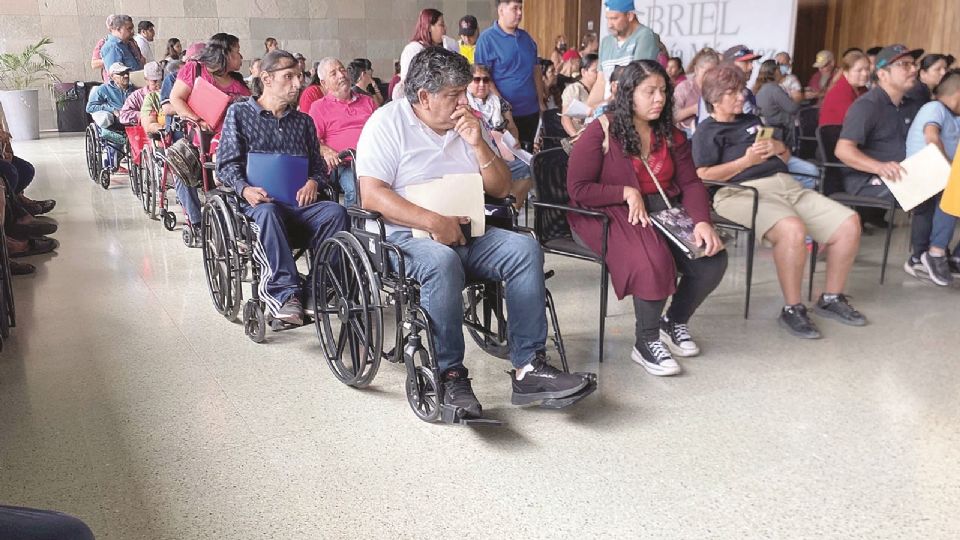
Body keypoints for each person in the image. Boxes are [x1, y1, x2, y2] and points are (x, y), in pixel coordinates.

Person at [356, 47, 592, 415]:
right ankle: (449, 373)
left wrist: (478, 143)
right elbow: (371, 194)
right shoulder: (386, 124)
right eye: (454, 95)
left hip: (469, 228)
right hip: (404, 237)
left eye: (464, 91)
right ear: (423, 97)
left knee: (523, 250)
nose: (463, 100)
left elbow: (499, 188)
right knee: (441, 261)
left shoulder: (469, 122)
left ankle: (528, 366)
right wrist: (433, 221)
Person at [567, 60, 727, 374]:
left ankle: (673, 321)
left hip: (662, 208)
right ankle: (646, 341)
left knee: (711, 258)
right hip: (603, 212)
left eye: (663, 91)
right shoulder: (601, 130)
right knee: (651, 259)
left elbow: (692, 182)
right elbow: (579, 189)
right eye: (649, 91)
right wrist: (625, 192)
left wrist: (703, 221)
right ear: (628, 94)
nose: (659, 99)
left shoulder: (670, 134)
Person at [694, 63, 866, 339]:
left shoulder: (752, 121)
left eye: (741, 90)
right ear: (714, 98)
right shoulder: (707, 131)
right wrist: (744, 161)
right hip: (738, 192)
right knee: (792, 230)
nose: (741, 96)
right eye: (732, 92)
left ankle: (831, 298)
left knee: (849, 222)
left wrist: (779, 148)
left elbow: (783, 157)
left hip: (785, 185)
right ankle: (792, 308)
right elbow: (702, 176)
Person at [217, 50, 349, 325]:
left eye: (299, 76)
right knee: (268, 213)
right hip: (258, 207)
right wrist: (245, 189)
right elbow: (226, 166)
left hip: (299, 205)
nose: (297, 84)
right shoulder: (240, 114)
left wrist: (314, 181)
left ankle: (317, 289)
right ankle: (286, 294)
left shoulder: (303, 122)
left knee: (336, 212)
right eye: (288, 77)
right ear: (266, 78)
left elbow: (318, 167)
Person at [169, 33, 251, 232]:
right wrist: (198, 120)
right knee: (181, 169)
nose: (241, 57)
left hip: (235, 136)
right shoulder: (195, 69)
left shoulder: (238, 83)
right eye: (237, 52)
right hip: (203, 135)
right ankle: (196, 222)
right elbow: (176, 98)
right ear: (225, 53)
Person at [834, 44, 923, 205]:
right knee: (925, 192)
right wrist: (879, 167)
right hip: (867, 178)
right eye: (904, 65)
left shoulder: (910, 105)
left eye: (913, 64)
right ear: (882, 74)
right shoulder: (867, 106)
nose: (913, 70)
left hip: (903, 174)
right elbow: (843, 150)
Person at [902, 69, 960, 285]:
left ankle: (953, 256)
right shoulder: (934, 108)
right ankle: (935, 253)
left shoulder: (955, 116)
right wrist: (951, 169)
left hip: (938, 174)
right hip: (919, 172)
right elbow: (931, 137)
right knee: (957, 187)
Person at [308, 57, 377, 207]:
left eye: (342, 69)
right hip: (344, 165)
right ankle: (354, 228)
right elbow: (312, 141)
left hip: (374, 160)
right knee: (355, 187)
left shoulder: (367, 101)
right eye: (333, 73)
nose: (341, 75)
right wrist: (326, 151)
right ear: (324, 83)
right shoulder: (318, 107)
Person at [475, 0, 544, 150]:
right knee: (509, 158)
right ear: (501, 11)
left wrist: (541, 101)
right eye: (515, 8)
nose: (520, 13)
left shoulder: (527, 38)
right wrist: (503, 104)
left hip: (531, 110)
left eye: (521, 8)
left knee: (527, 155)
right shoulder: (487, 40)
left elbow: (536, 71)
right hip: (504, 116)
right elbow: (484, 78)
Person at [466, 63, 534, 206]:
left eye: (486, 80)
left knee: (529, 167)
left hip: (503, 152)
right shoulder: (463, 102)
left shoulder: (498, 101)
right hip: (477, 156)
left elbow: (512, 126)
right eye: (477, 79)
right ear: (468, 81)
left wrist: (513, 138)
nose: (482, 84)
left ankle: (511, 210)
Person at [587, 0, 661, 109]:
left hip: (630, 111)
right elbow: (601, 81)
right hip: (608, 110)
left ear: (630, 16)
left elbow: (636, 80)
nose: (609, 25)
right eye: (608, 19)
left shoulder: (645, 36)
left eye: (614, 18)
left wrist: (602, 105)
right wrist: (587, 108)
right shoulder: (606, 42)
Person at [86, 62, 137, 169]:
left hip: (133, 121)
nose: (126, 76)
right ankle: (113, 159)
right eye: (121, 74)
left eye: (127, 72)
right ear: (112, 76)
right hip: (116, 122)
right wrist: (111, 109)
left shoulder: (134, 90)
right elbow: (90, 107)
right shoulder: (103, 89)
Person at [394, 9, 448, 101]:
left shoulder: (442, 48)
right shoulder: (414, 49)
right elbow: (410, 83)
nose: (445, 29)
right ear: (429, 27)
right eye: (441, 25)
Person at [672, 47, 719, 136]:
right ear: (696, 70)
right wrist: (694, 109)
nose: (710, 76)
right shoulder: (685, 87)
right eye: (707, 72)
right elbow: (672, 116)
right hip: (687, 134)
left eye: (714, 72)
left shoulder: (717, 88)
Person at [819, 49, 871, 126]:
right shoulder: (838, 92)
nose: (865, 74)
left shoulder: (862, 88)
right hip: (837, 135)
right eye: (859, 70)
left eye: (867, 69)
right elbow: (857, 120)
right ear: (846, 72)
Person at [560, 53, 599, 137]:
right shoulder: (574, 89)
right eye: (595, 71)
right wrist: (575, 136)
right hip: (580, 135)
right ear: (584, 72)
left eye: (600, 71)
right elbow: (565, 118)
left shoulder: (600, 90)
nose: (599, 74)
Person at [119, 61, 163, 126]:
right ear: (146, 79)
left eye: (160, 80)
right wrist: (144, 115)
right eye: (154, 81)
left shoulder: (168, 92)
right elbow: (123, 116)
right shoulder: (137, 96)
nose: (158, 84)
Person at [723, 45, 760, 114]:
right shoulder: (718, 94)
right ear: (730, 65)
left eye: (751, 62)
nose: (751, 67)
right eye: (746, 62)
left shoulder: (748, 93)